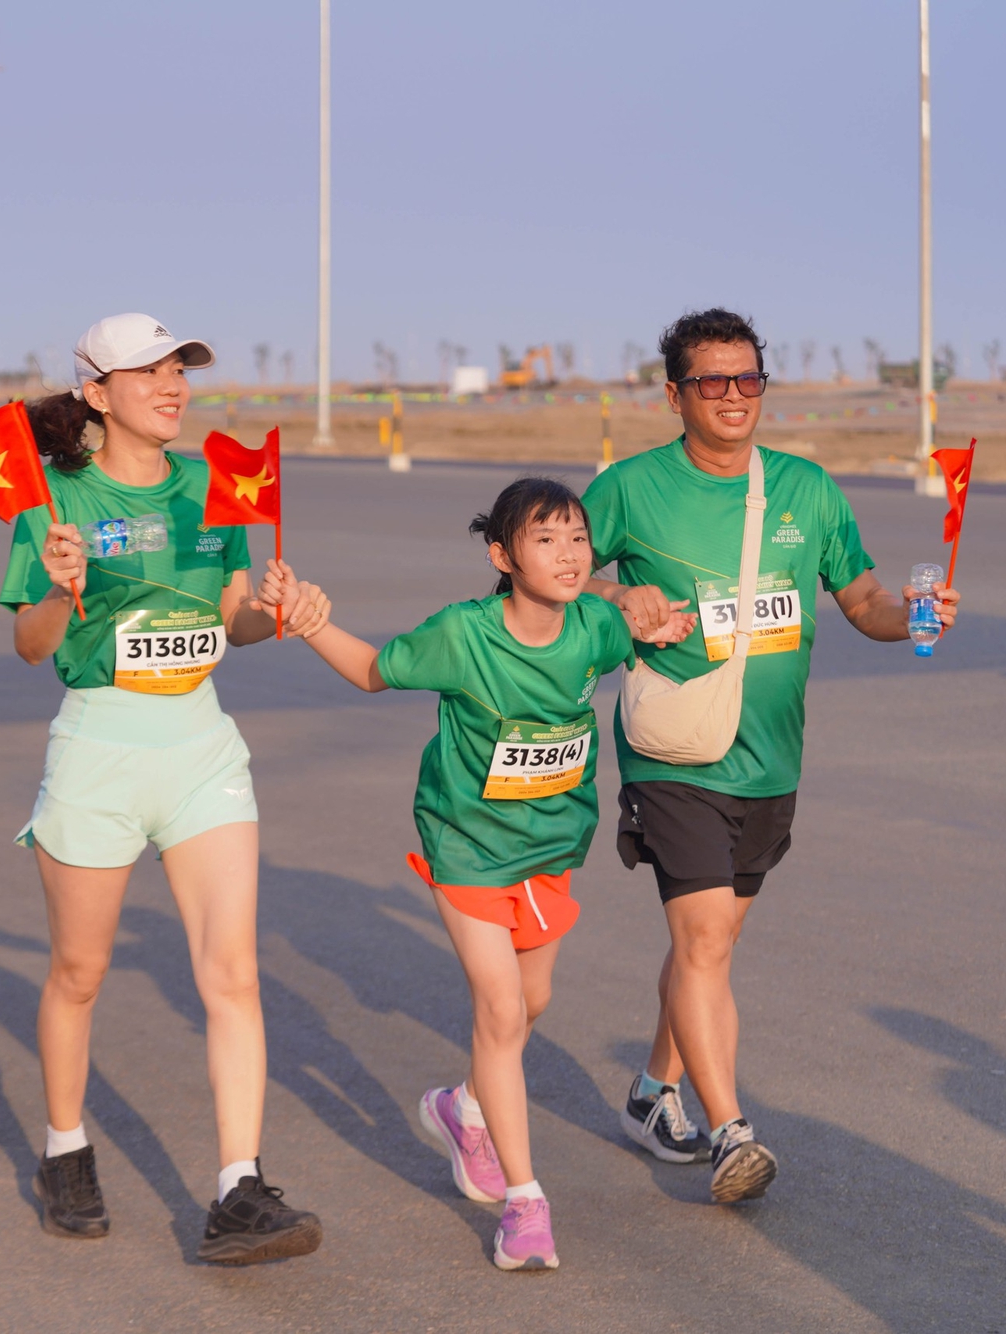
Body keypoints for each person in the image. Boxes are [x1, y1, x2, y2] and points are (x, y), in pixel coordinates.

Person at [580, 308, 961, 1203]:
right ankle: (731, 1134)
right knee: (705, 938)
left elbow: (862, 598)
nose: (733, 395)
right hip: (674, 751)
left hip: (770, 760)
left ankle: (651, 1092)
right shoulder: (628, 488)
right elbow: (543, 575)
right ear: (674, 395)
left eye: (748, 378)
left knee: (710, 946)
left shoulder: (807, 489)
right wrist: (616, 595)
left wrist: (915, 614)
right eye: (711, 381)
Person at [278, 477, 694, 1271]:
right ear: (503, 556)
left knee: (531, 1002)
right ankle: (526, 1205)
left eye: (578, 538)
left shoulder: (597, 630)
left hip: (549, 845)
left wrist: (661, 623)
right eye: (546, 539)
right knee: (501, 1011)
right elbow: (371, 670)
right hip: (466, 844)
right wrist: (310, 622)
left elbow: (638, 632)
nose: (569, 554)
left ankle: (464, 1106)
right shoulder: (461, 635)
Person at [2, 313, 327, 1263]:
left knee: (233, 974)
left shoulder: (212, 485)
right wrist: (58, 589)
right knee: (80, 973)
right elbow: (29, 646)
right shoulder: (55, 494)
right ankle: (65, 1149)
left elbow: (232, 618)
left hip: (200, 747)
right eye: (148, 371)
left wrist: (277, 611)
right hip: (99, 747)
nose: (173, 384)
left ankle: (238, 1189)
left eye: (179, 368)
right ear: (97, 393)